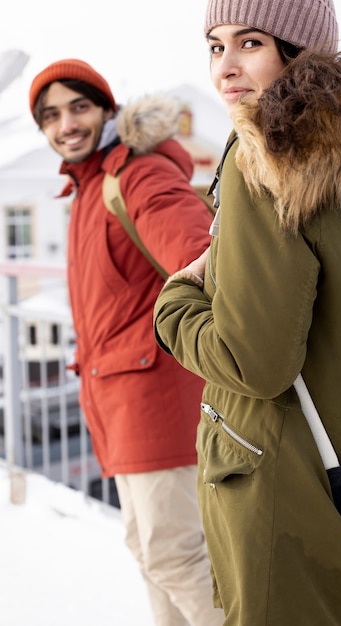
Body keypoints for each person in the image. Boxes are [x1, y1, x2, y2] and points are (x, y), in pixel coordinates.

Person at [153, 0, 341, 624]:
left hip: (284, 493)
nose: (225, 68)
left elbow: (253, 361)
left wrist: (174, 305)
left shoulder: (266, 158)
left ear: (299, 52)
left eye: (250, 43)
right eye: (215, 47)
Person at [29, 59, 224, 626]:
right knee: (151, 553)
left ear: (106, 109)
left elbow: (197, 255)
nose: (66, 123)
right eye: (51, 115)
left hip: (157, 401)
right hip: (117, 403)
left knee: (174, 553)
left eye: (79, 107)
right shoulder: (88, 186)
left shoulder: (135, 175)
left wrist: (197, 274)